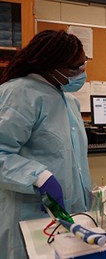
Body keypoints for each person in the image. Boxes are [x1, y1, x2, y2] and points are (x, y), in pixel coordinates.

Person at [0, 30, 92, 259]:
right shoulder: (20, 92)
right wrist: (39, 177)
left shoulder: (67, 100)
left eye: (84, 64)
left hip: (69, 215)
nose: (82, 73)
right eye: (75, 68)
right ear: (52, 65)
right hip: (29, 212)